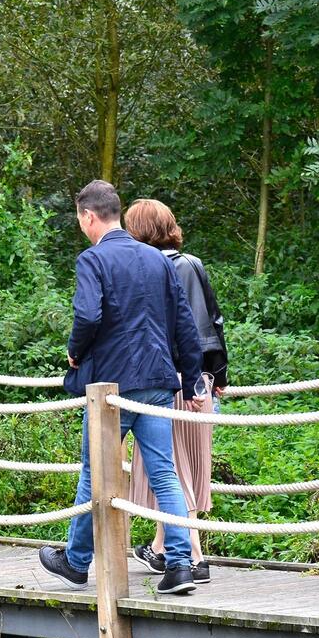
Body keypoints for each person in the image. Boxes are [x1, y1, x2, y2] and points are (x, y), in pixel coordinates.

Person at [39, 180, 202, 597]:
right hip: (158, 381)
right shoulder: (157, 260)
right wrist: (190, 375)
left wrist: (75, 351)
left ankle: (76, 563)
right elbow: (184, 323)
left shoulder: (92, 260)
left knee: (96, 474)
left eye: (80, 219)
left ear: (89, 216)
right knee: (164, 474)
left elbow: (88, 315)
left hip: (111, 389)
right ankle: (181, 566)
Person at [121, 198, 229, 585]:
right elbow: (214, 323)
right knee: (182, 468)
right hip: (202, 380)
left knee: (172, 470)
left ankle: (195, 558)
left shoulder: (150, 271)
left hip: (173, 381)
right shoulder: (193, 264)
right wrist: (218, 378)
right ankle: (162, 548)